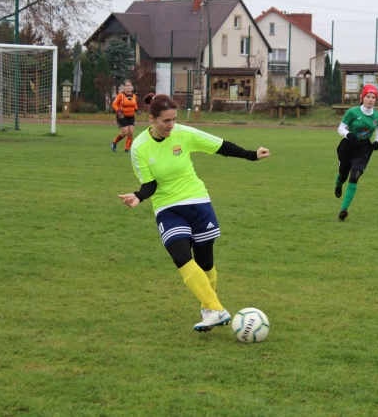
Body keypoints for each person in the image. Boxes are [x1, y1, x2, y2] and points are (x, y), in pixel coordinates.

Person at [117, 93, 270, 331]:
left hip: (197, 201)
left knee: (205, 263)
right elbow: (150, 183)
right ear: (151, 119)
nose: (171, 125)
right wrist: (139, 196)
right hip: (167, 207)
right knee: (180, 256)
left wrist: (252, 155)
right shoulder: (139, 147)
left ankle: (209, 310)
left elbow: (220, 146)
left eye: (174, 119)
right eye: (166, 121)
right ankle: (216, 308)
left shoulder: (184, 134)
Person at [334, 84, 378, 221]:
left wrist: (377, 141)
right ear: (363, 97)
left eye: (373, 97)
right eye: (368, 96)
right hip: (348, 147)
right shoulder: (352, 112)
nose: (370, 100)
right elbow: (341, 128)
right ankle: (339, 184)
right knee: (343, 176)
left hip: (364, 149)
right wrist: (348, 135)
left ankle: (344, 209)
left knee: (354, 176)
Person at [111, 80, 139, 153]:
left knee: (130, 133)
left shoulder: (134, 96)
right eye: (126, 86)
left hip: (131, 116)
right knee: (125, 132)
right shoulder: (121, 95)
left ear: (131, 87)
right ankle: (114, 142)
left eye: (129, 85)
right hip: (122, 116)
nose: (128, 87)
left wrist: (137, 110)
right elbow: (114, 104)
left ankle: (127, 149)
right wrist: (118, 111)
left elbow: (134, 105)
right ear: (124, 87)